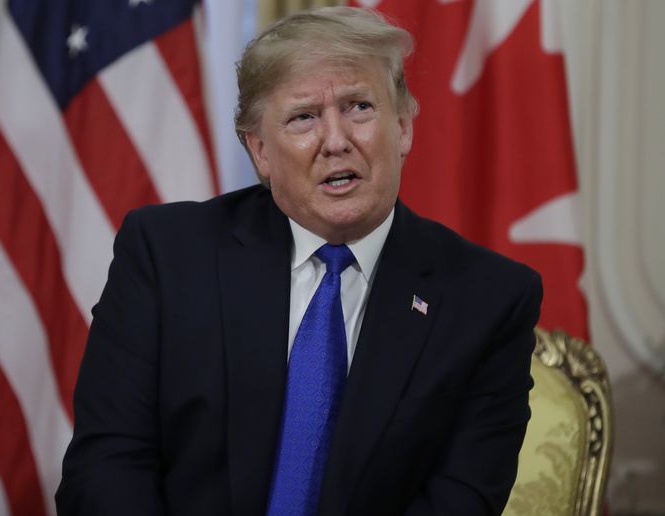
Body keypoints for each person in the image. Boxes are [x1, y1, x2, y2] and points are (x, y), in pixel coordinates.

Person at [56, 6, 542, 516]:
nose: (336, 141)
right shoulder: (166, 255)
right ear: (260, 151)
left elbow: (459, 501)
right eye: (304, 117)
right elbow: (107, 464)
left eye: (359, 107)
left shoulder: (487, 300)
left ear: (402, 128)